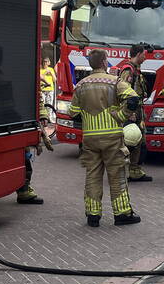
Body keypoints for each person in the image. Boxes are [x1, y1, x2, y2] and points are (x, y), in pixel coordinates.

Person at [69, 49, 141, 226]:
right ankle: (122, 214)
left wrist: (89, 121)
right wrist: (121, 116)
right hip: (112, 137)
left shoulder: (80, 85)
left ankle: (93, 215)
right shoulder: (114, 82)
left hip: (90, 139)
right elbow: (133, 99)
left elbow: (73, 113)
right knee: (117, 175)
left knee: (92, 175)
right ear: (104, 62)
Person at [112, 45, 152, 182]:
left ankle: (135, 170)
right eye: (144, 54)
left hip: (138, 110)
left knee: (138, 141)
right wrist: (129, 113)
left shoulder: (135, 70)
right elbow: (123, 92)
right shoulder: (128, 70)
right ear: (138, 54)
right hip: (131, 111)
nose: (145, 57)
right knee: (129, 141)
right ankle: (120, 170)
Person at [16, 104, 54, 204]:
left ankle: (24, 191)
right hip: (18, 120)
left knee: (23, 156)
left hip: (22, 121)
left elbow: (38, 99)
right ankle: (23, 192)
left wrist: (43, 116)